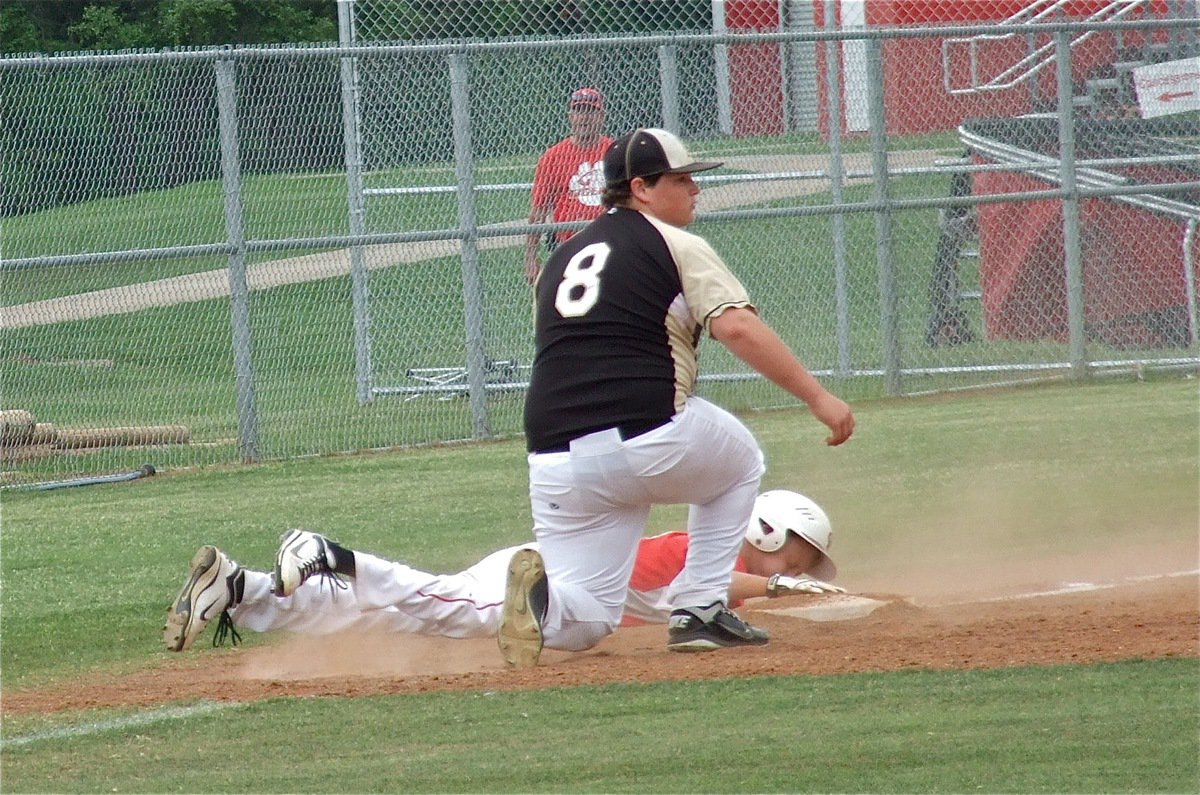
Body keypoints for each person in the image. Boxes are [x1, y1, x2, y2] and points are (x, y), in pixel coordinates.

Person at [504, 128, 856, 667]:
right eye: (683, 178)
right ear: (641, 188)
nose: (695, 188)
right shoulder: (676, 244)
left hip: (554, 457)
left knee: (585, 620)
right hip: (647, 431)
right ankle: (701, 610)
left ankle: (513, 608)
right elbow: (735, 327)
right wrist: (817, 397)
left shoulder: (560, 260)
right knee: (741, 461)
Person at [162, 490, 844, 652]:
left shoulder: (710, 553)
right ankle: (332, 552)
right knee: (451, 609)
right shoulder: (707, 553)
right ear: (768, 532)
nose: (799, 566)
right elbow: (717, 582)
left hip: (534, 571)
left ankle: (241, 588)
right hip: (542, 581)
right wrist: (785, 585)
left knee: (391, 612)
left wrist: (789, 586)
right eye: (799, 552)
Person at [523, 86, 613, 285]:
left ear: (601, 116)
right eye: (579, 110)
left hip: (610, 245)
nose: (584, 117)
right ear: (571, 116)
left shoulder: (614, 152)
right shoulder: (554, 157)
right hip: (568, 246)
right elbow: (538, 211)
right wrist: (531, 257)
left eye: (590, 111)